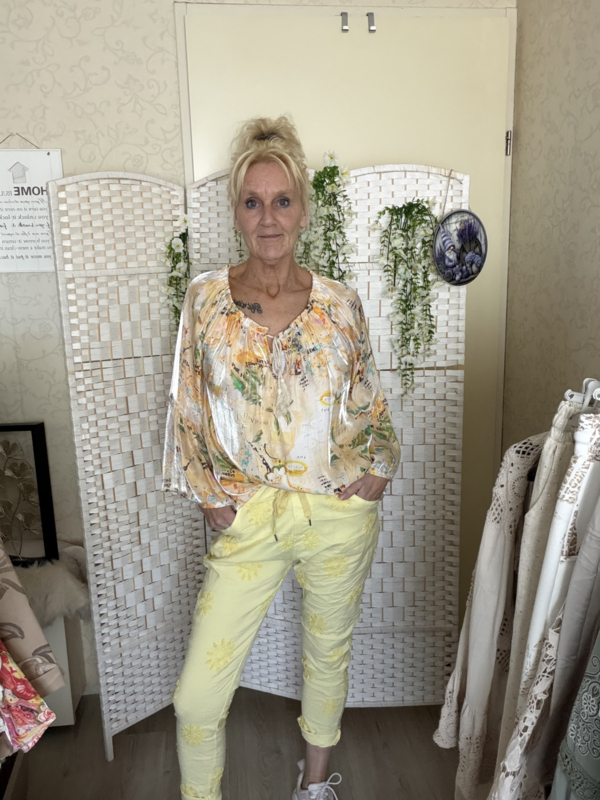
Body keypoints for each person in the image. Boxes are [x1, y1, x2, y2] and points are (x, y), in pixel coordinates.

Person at [162, 115, 400, 800]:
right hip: (249, 515)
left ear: (303, 211)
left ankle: (313, 786)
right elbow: (187, 404)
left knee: (327, 655)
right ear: (236, 212)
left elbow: (368, 397)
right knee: (196, 699)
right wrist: (208, 493)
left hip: (336, 513)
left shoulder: (340, 304)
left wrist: (379, 465)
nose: (268, 217)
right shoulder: (206, 300)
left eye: (282, 200)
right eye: (253, 201)